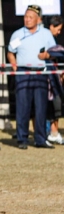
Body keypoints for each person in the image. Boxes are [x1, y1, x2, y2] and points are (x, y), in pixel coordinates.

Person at [7, 5, 55, 150]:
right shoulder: (18, 34)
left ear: (38, 19)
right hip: (23, 73)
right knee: (23, 106)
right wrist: (14, 66)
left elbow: (54, 52)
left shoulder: (46, 34)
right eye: (25, 17)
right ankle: (22, 138)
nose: (27, 20)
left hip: (40, 72)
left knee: (41, 106)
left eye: (30, 17)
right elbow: (10, 52)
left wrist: (47, 55)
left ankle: (40, 139)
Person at [46, 15, 63, 144]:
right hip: (48, 78)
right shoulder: (47, 39)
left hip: (54, 75)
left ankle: (53, 132)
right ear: (52, 26)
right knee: (53, 105)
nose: (59, 32)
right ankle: (52, 132)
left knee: (55, 105)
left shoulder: (50, 39)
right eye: (58, 29)